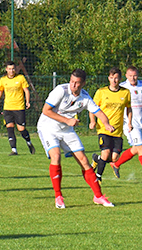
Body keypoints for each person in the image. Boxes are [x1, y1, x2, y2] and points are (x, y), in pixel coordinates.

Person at [37, 68, 115, 209]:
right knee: (56, 156)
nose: (73, 85)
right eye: (72, 81)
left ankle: (98, 196)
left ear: (83, 84)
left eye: (77, 82)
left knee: (84, 160)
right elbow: (46, 110)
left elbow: (98, 112)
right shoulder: (61, 91)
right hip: (48, 127)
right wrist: (67, 120)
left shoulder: (84, 97)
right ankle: (58, 197)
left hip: (67, 130)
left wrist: (106, 124)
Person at [110, 66, 142, 182]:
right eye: (130, 76)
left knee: (136, 149)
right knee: (141, 148)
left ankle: (116, 164)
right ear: (126, 76)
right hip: (130, 123)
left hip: (141, 122)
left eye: (135, 76)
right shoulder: (122, 87)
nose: (132, 78)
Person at [88, 67, 132, 182]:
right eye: (112, 78)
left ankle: (96, 159)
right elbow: (92, 108)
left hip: (117, 130)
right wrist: (92, 121)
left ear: (120, 79)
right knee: (106, 152)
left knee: (114, 158)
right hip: (103, 129)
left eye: (116, 78)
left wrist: (129, 123)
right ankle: (98, 177)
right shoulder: (101, 92)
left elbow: (129, 108)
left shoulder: (125, 92)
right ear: (108, 78)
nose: (114, 80)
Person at [0, 61, 35, 155]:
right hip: (7, 108)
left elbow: (26, 91)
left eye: (13, 69)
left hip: (19, 107)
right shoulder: (3, 80)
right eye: (10, 69)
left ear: (15, 69)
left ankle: (29, 142)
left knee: (21, 129)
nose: (11, 71)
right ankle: (14, 150)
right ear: (6, 69)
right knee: (9, 127)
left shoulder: (20, 78)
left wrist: (27, 101)